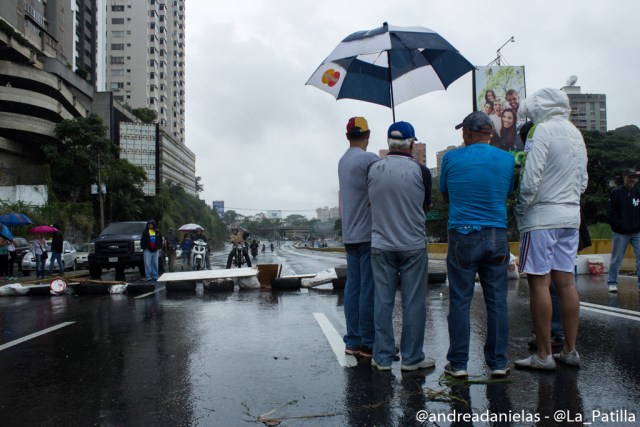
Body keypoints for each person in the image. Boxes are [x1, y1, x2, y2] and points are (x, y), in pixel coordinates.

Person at [514, 87, 588, 370]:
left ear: (539, 108)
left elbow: (531, 179)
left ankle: (544, 354)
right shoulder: (575, 133)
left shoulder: (540, 131)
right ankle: (569, 350)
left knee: (539, 283)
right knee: (566, 283)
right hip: (571, 216)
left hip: (541, 218)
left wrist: (522, 208)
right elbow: (582, 181)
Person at [440, 111, 515, 378]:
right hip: (497, 235)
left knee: (460, 301)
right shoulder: (507, 159)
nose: (462, 135)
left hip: (463, 235)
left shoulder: (451, 158)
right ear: (491, 133)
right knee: (497, 302)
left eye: (464, 131)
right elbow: (507, 193)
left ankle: (458, 364)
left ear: (470, 132)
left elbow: (446, 193)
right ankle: (497, 362)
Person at [367, 121, 435, 371]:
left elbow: (372, 202)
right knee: (413, 302)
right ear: (411, 143)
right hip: (413, 245)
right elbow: (426, 206)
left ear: (388, 143)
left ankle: (383, 357)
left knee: (382, 301)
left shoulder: (373, 169)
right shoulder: (422, 171)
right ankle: (412, 358)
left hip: (381, 245)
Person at [338, 116, 379, 358]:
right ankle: (369, 342)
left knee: (353, 288)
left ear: (347, 137)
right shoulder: (370, 159)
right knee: (368, 289)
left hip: (350, 235)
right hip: (368, 235)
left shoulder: (343, 160)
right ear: (368, 134)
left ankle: (352, 341)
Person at [606, 168, 640, 293]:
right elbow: (610, 213)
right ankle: (612, 282)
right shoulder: (615, 193)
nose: (632, 179)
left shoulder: (638, 193)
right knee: (617, 258)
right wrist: (619, 226)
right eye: (630, 177)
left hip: (637, 232)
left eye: (634, 177)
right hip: (620, 232)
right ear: (624, 177)